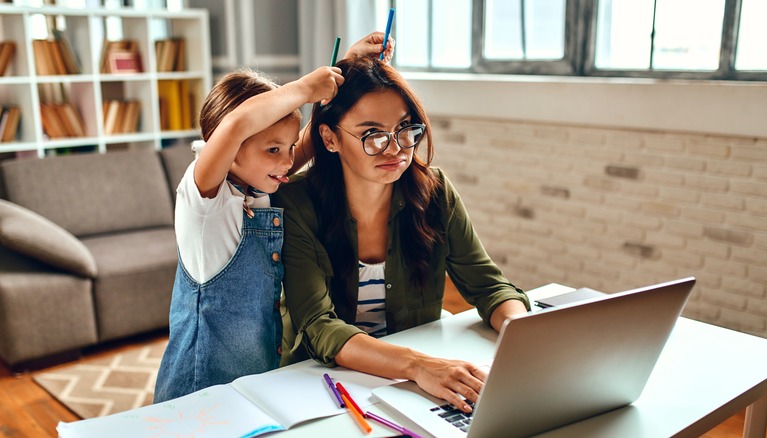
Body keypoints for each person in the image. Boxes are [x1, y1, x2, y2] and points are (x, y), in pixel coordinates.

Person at [273, 56, 530, 413]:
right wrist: (419, 365)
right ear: (330, 139)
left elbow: (489, 287)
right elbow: (319, 327)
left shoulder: (435, 192)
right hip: (322, 386)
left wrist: (526, 336)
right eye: (372, 135)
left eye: (405, 128)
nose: (395, 148)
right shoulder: (296, 203)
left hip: (414, 385)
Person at [153, 32, 394, 404]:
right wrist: (302, 87)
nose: (287, 162)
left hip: (249, 388)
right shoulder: (204, 202)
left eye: (289, 148)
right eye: (273, 149)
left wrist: (345, 68)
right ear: (229, 147)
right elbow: (235, 127)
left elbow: (311, 136)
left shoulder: (258, 183)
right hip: (198, 395)